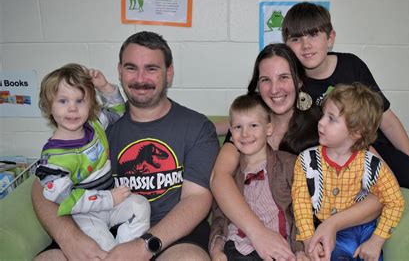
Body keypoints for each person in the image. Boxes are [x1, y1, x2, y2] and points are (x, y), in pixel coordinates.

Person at [32, 31, 219, 260]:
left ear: (168, 73)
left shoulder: (196, 127)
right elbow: (42, 187)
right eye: (131, 68)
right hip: (96, 221)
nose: (140, 78)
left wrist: (144, 245)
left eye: (151, 68)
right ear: (120, 71)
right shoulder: (93, 125)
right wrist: (69, 238)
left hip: (169, 235)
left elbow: (197, 198)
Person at [282, 2, 409, 223]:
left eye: (313, 34)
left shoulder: (351, 66)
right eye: (296, 38)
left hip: (380, 149)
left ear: (330, 38)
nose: (306, 45)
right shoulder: (289, 81)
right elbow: (261, 113)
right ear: (287, 45)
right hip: (336, 165)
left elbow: (388, 122)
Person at [210, 43, 383, 261]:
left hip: (315, 239)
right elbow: (219, 178)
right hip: (252, 241)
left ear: (300, 81)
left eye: (284, 77)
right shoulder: (248, 128)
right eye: (266, 80)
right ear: (257, 85)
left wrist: (332, 225)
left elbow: (381, 190)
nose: (275, 89)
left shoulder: (321, 125)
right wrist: (259, 234)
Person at [35, 63, 150, 252]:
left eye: (80, 101)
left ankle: (125, 250)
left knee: (140, 206)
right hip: (84, 214)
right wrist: (108, 198)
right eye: (63, 101)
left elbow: (118, 109)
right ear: (49, 107)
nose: (72, 109)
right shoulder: (53, 158)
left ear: (91, 105)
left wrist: (104, 87)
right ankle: (114, 252)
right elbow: (65, 200)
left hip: (110, 202)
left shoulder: (95, 125)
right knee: (102, 247)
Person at [292, 83, 405, 261]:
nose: (320, 122)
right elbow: (301, 204)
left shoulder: (372, 164)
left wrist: (377, 241)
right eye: (323, 115)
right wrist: (308, 242)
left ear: (356, 132)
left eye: (331, 119)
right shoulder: (306, 161)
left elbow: (395, 200)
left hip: (366, 228)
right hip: (332, 234)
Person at [209, 94, 303, 260]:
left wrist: (300, 250)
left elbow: (300, 212)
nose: (245, 133)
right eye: (238, 127)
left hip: (280, 247)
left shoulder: (288, 164)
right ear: (230, 131)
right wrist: (217, 249)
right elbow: (220, 215)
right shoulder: (229, 173)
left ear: (268, 128)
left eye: (253, 125)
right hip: (238, 248)